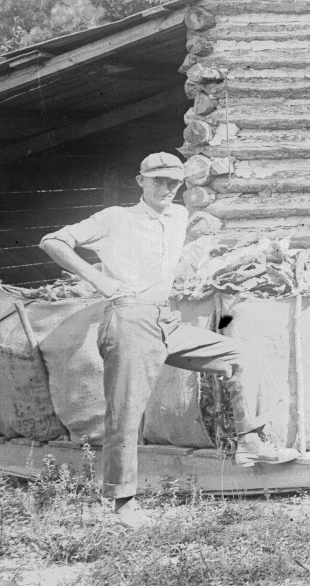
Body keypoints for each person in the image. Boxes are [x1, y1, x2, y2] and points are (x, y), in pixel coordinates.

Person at [39, 152, 296, 524]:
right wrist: (104, 283)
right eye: (158, 180)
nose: (166, 188)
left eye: (173, 182)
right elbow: (53, 241)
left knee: (240, 356)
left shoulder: (178, 216)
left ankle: (250, 440)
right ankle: (123, 504)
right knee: (126, 411)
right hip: (128, 320)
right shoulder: (115, 218)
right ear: (140, 181)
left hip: (165, 319)